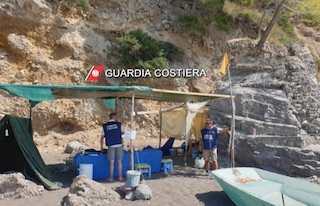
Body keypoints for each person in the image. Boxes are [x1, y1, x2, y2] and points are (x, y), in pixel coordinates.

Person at [100, 112, 125, 182]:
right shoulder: (119, 125)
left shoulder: (105, 126)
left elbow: (102, 137)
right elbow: (123, 133)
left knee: (111, 162)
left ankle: (111, 177)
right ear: (114, 117)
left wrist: (101, 147)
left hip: (110, 145)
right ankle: (120, 177)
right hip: (119, 144)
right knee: (119, 161)